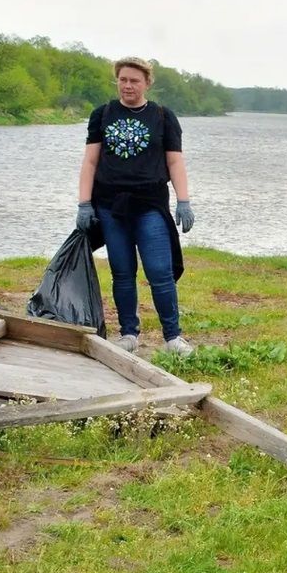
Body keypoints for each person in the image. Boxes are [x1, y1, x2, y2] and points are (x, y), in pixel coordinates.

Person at [76, 56, 196, 356]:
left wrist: (183, 200)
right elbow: (90, 161)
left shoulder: (162, 116)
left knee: (160, 271)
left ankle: (173, 337)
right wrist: (84, 204)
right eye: (123, 79)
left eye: (135, 80)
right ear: (117, 81)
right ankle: (128, 333)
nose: (128, 85)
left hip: (150, 205)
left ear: (147, 83)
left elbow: (174, 161)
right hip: (110, 207)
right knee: (122, 271)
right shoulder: (102, 115)